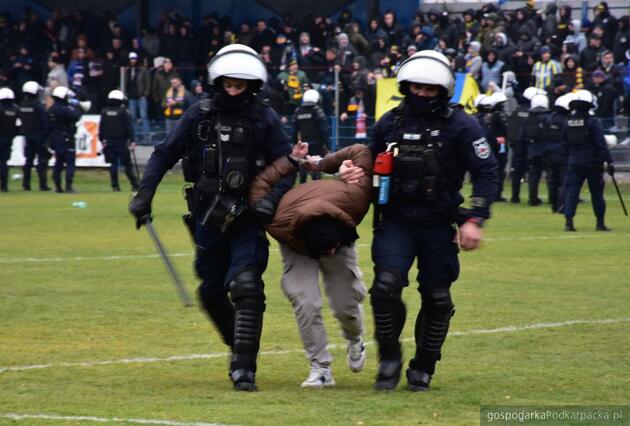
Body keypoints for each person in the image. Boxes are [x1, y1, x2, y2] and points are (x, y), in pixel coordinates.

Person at [128, 44, 294, 392]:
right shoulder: (197, 115)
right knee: (211, 292)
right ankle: (239, 345)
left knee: (247, 286)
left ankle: (244, 367)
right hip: (207, 217)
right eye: (229, 84)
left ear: (252, 85)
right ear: (218, 82)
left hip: (249, 217)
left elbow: (287, 167)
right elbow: (163, 154)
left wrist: (271, 201)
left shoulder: (265, 118)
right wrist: (144, 195)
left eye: (241, 85)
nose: (234, 90)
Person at [367, 51, 498, 392]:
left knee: (438, 296)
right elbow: (369, 161)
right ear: (405, 86)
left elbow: (486, 171)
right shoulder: (389, 123)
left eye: (430, 89)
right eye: (416, 87)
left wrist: (475, 219)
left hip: (439, 222)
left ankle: (424, 366)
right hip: (396, 220)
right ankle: (389, 358)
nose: (422, 94)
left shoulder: (463, 125)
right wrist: (355, 171)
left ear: (442, 90)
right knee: (384, 286)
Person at [249, 143, 372, 388]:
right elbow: (260, 184)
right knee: (304, 300)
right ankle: (321, 367)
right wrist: (290, 160)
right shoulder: (277, 223)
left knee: (344, 304)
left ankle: (355, 337)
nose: (330, 253)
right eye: (326, 251)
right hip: (295, 236)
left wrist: (322, 164)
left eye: (332, 249)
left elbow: (360, 151)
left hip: (337, 220)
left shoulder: (355, 198)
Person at [562, 90, 614, 232]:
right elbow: (600, 144)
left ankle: (569, 222)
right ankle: (600, 223)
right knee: (597, 193)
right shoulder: (593, 122)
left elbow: (564, 142)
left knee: (572, 192)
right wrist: (609, 161)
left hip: (574, 161)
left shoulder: (568, 121)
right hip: (593, 162)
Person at [507, 86, 546, 204]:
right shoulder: (533, 115)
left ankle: (515, 197)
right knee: (533, 172)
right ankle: (532, 197)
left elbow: (511, 129)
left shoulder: (517, 111)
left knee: (517, 173)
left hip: (517, 146)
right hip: (530, 146)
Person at [99, 90, 139, 191]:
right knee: (127, 165)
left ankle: (115, 185)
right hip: (122, 142)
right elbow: (128, 127)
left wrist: (102, 140)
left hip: (109, 142)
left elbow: (101, 128)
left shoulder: (104, 111)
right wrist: (132, 140)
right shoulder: (124, 112)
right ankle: (135, 185)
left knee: (113, 164)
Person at [48, 86, 82, 193]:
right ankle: (68, 186)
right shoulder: (64, 110)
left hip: (56, 138)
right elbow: (76, 116)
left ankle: (57, 186)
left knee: (58, 162)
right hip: (66, 138)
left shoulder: (51, 109)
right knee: (70, 162)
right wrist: (76, 106)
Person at [19, 81, 51, 191]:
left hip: (28, 135)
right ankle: (43, 184)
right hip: (40, 136)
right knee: (42, 160)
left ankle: (25, 184)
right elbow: (45, 121)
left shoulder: (22, 105)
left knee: (28, 160)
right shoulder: (38, 105)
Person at [291, 89, 329, 183]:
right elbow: (324, 130)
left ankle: (302, 185)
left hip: (303, 144)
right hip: (317, 143)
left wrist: (294, 144)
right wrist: (328, 144)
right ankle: (317, 184)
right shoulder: (317, 111)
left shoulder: (298, 111)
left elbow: (293, 130)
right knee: (317, 163)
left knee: (303, 165)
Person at [545, 93, 572, 213]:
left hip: (550, 153)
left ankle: (553, 204)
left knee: (552, 180)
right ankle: (562, 204)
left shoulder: (549, 119)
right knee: (564, 181)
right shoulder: (567, 120)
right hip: (563, 154)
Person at [523, 93, 551, 206]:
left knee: (534, 175)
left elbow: (523, 134)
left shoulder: (528, 118)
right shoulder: (548, 118)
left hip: (532, 150)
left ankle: (532, 198)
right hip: (546, 150)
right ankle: (552, 197)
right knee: (550, 174)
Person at [0, 88, 20, 192]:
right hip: (8, 138)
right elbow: (19, 126)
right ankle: (4, 185)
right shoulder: (15, 109)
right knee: (4, 162)